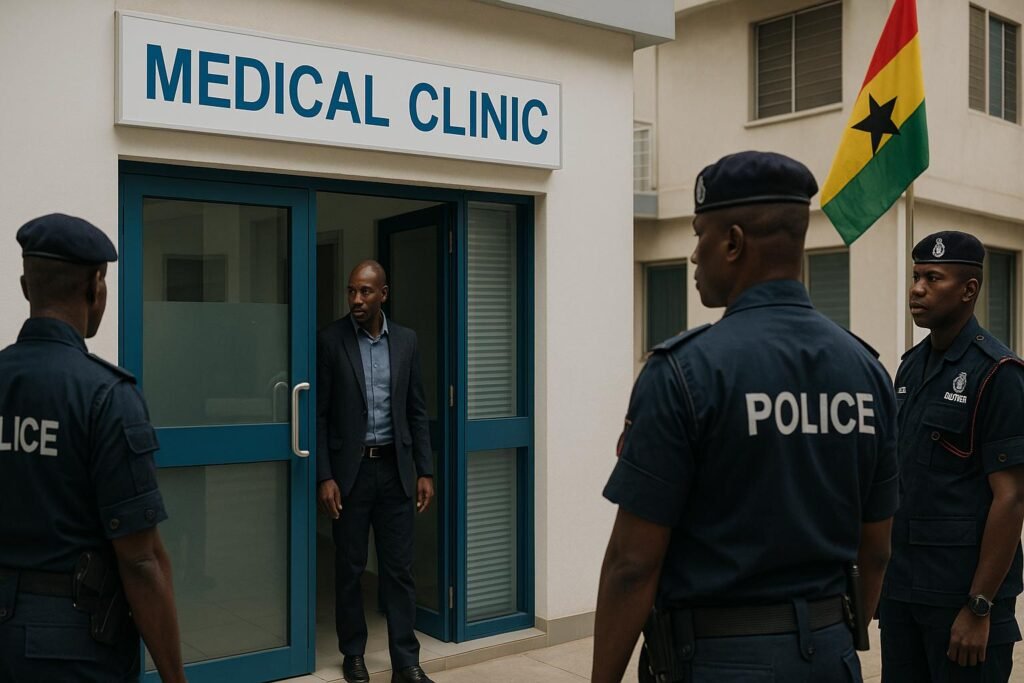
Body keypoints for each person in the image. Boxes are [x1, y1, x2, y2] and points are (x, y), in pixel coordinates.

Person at [592, 151, 899, 683]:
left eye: (699, 236)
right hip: (831, 656)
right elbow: (876, 550)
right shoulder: (866, 371)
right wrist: (833, 635)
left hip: (719, 661)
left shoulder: (683, 372)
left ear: (733, 243)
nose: (694, 256)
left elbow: (632, 564)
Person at [0, 214, 185, 682]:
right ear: (95, 287)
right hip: (72, 647)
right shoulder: (107, 397)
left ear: (25, 287)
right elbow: (139, 560)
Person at [879, 231, 1024, 682]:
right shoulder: (910, 366)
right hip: (904, 595)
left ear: (968, 289)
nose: (917, 289)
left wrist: (979, 606)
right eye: (916, 276)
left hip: (961, 602)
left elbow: (1012, 498)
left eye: (933, 278)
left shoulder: (998, 373)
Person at [316, 260, 435, 683]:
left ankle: (406, 661)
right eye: (351, 291)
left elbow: (416, 410)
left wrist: (425, 470)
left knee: (399, 570)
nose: (356, 299)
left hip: (395, 471)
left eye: (365, 291)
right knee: (349, 569)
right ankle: (353, 654)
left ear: (383, 293)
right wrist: (325, 475)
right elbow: (319, 414)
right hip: (350, 475)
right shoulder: (331, 340)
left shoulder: (406, 341)